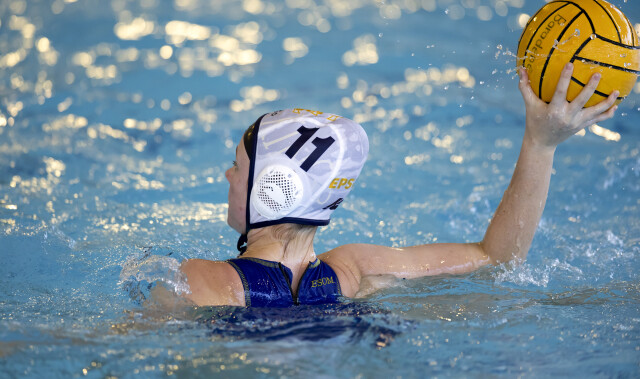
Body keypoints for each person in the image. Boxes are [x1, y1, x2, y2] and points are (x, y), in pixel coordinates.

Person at [179, 63, 619, 307]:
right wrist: (541, 144)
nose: (228, 175)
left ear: (275, 187)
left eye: (238, 165)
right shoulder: (355, 271)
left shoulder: (201, 280)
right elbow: (498, 258)